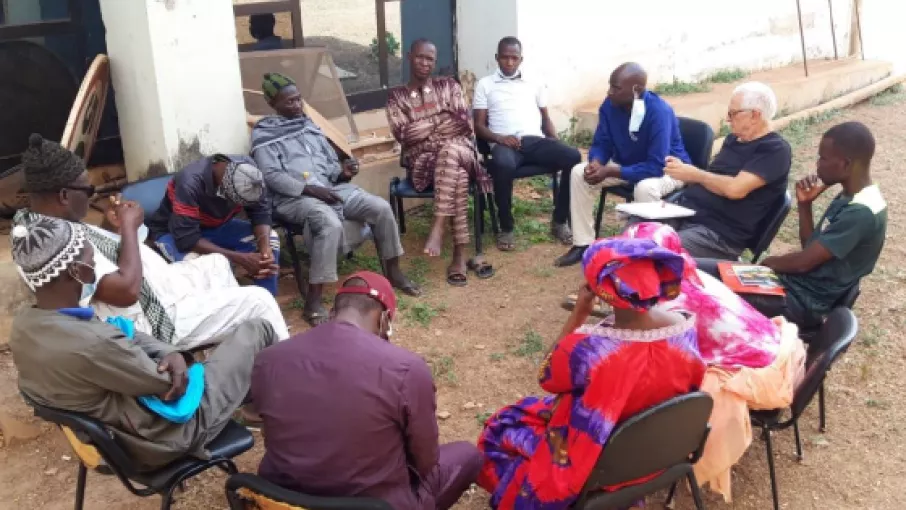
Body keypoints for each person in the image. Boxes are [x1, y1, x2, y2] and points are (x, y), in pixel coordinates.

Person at [8, 215, 279, 471]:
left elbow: (120, 331)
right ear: (76, 271)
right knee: (258, 329)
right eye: (92, 259)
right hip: (163, 437)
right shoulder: (92, 344)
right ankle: (286, 424)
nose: (95, 265)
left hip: (108, 437)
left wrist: (169, 351)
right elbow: (170, 385)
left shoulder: (26, 325)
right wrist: (181, 361)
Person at [478, 237, 705, 509]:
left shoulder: (591, 349)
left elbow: (546, 375)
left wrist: (579, 314)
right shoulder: (685, 330)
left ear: (600, 289)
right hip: (656, 452)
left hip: (595, 461)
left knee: (501, 427)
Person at [13, 134, 289, 349]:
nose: (91, 194)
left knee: (216, 263)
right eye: (88, 189)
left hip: (160, 288)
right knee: (258, 300)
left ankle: (230, 357)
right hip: (153, 318)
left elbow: (101, 258)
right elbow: (124, 292)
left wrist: (114, 225)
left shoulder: (42, 223)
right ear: (63, 195)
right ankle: (287, 383)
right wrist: (131, 229)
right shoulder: (53, 242)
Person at [251, 271, 482, 510]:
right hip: (374, 504)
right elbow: (426, 463)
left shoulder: (268, 360)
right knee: (467, 455)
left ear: (333, 313)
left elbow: (272, 432)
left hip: (284, 501)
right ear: (383, 321)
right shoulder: (406, 368)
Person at [251, 72, 419, 325]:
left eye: (299, 99)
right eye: (289, 102)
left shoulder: (309, 127)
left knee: (380, 207)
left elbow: (330, 169)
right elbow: (271, 176)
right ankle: (314, 301)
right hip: (294, 198)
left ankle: (394, 272)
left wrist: (344, 172)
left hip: (330, 190)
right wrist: (310, 190)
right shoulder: (264, 136)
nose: (297, 105)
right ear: (273, 104)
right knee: (328, 223)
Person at [700, 121, 887, 329]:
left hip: (802, 303)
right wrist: (805, 205)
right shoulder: (851, 195)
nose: (817, 164)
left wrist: (769, 263)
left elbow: (803, 262)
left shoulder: (862, 211)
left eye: (823, 158)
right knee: (694, 269)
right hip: (791, 285)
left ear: (845, 164)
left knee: (704, 288)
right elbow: (811, 248)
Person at [555, 63, 691, 267]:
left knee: (646, 187)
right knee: (578, 173)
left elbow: (655, 166)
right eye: (610, 86)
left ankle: (644, 254)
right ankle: (583, 244)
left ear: (636, 89)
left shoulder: (658, 111)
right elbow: (602, 142)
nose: (609, 92)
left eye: (616, 88)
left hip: (669, 170)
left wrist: (610, 170)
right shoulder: (610, 105)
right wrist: (596, 163)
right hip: (628, 165)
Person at [386, 39, 495, 286]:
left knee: (451, 151)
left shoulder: (449, 85)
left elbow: (464, 125)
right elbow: (403, 134)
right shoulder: (396, 97)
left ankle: (438, 226)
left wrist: (425, 133)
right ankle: (459, 255)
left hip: (461, 152)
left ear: (435, 62)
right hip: (424, 165)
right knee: (454, 166)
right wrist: (442, 120)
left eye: (430, 59)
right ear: (409, 56)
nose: (425, 63)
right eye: (420, 57)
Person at [472, 37, 581, 250]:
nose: (510, 62)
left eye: (514, 58)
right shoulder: (485, 84)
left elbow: (545, 118)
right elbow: (478, 126)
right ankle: (506, 227)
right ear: (497, 58)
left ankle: (559, 221)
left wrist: (555, 143)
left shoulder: (535, 82)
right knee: (503, 165)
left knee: (573, 157)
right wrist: (499, 138)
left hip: (534, 141)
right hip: (504, 144)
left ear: (521, 59)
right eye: (505, 57)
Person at [664, 82, 792, 259]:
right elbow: (714, 179)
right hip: (687, 213)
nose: (728, 119)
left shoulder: (775, 150)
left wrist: (695, 174)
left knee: (657, 251)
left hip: (719, 235)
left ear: (755, 115)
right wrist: (684, 171)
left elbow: (734, 189)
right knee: (634, 230)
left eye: (733, 113)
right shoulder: (733, 140)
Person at [146, 154, 280, 296]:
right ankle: (225, 311)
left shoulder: (250, 173)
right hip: (174, 232)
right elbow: (187, 239)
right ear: (222, 192)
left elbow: (260, 211)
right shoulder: (190, 183)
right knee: (206, 267)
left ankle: (266, 300)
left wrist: (264, 249)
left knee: (270, 239)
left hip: (216, 227)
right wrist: (242, 258)